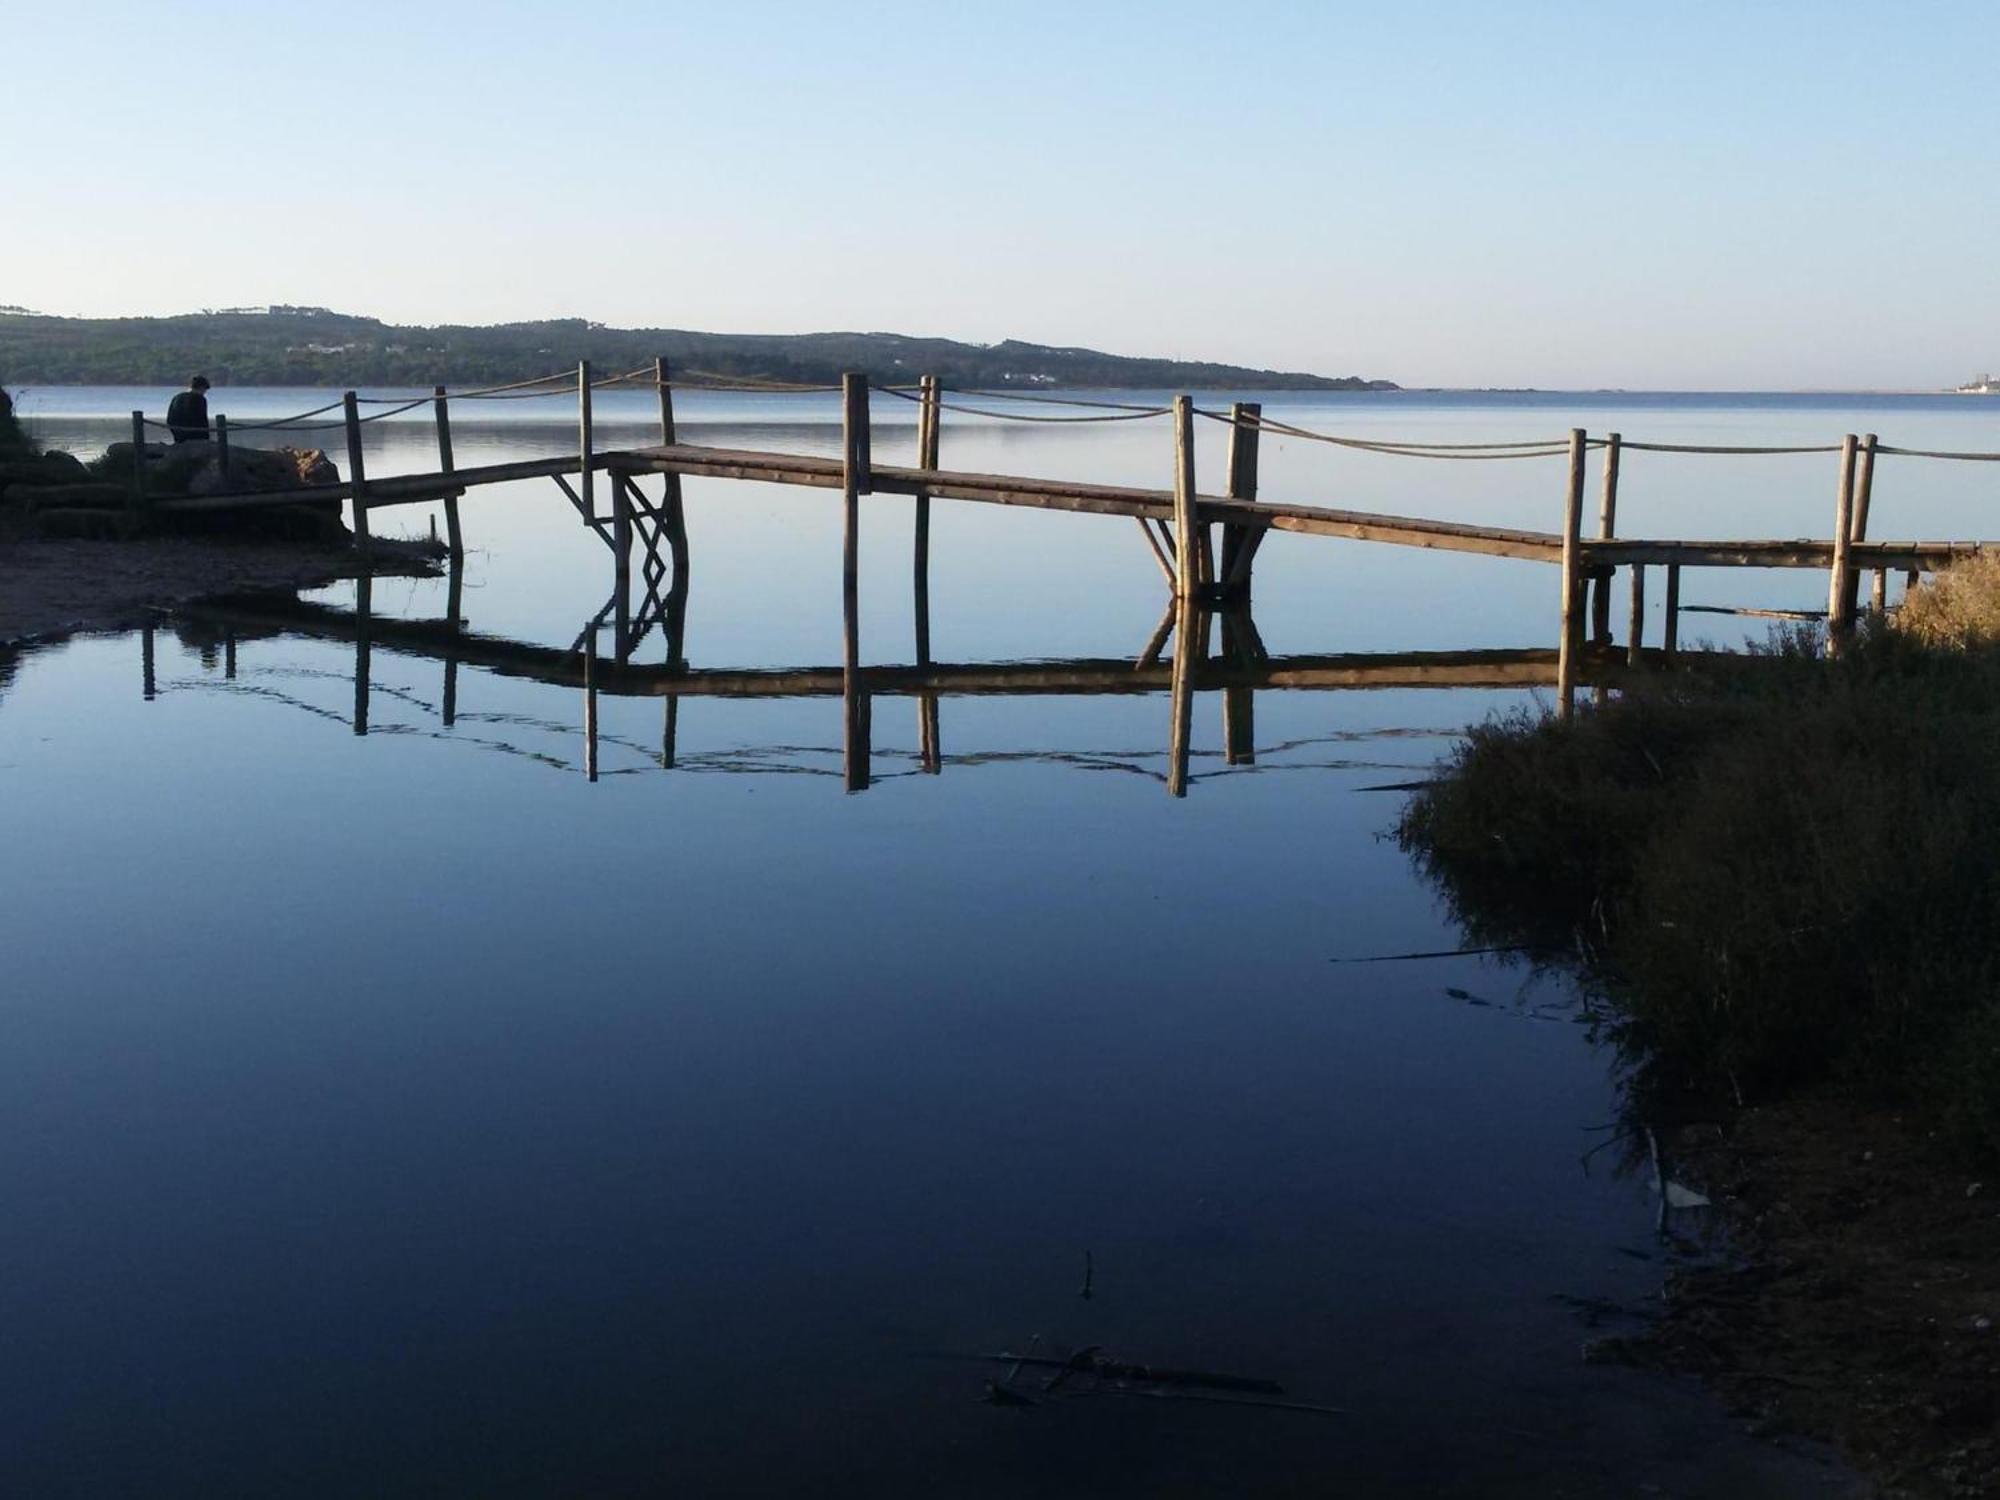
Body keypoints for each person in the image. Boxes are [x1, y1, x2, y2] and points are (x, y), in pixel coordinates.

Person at [165, 375, 211, 444]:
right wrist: (206, 437)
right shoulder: (200, 399)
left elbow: (170, 418)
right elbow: (202, 420)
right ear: (202, 388)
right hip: (194, 435)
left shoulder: (177, 397)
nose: (204, 393)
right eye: (204, 390)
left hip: (177, 434)